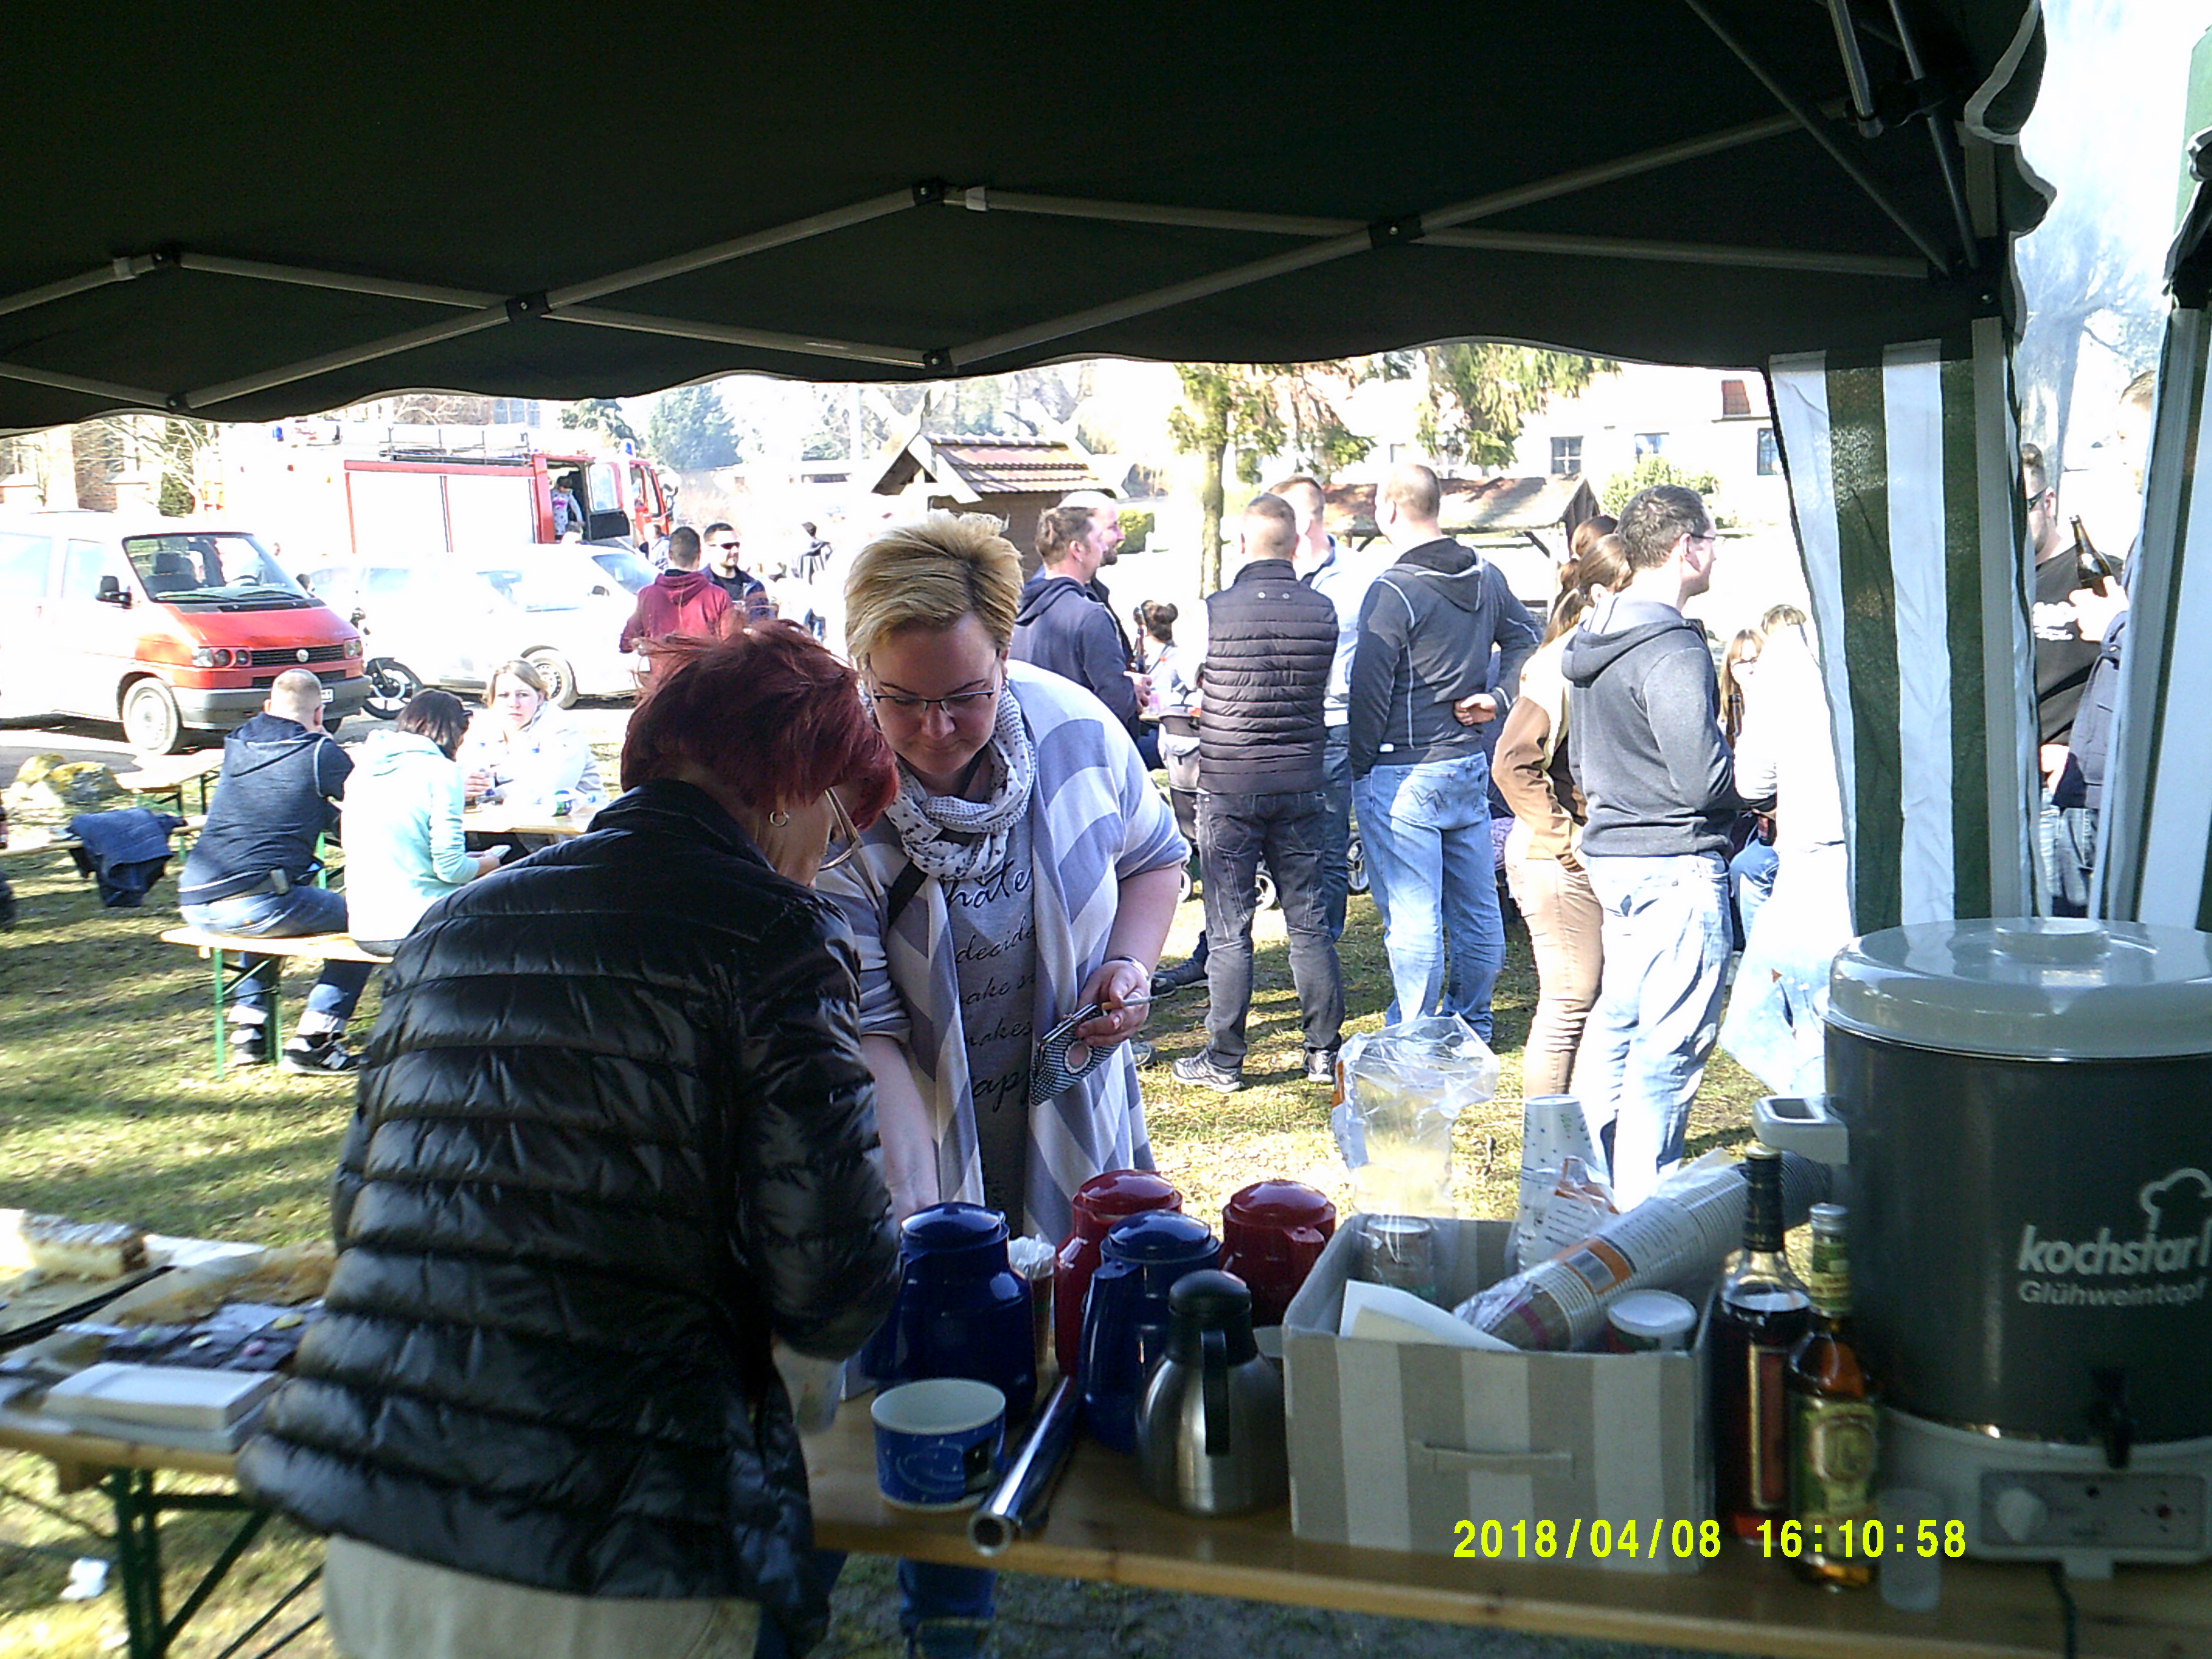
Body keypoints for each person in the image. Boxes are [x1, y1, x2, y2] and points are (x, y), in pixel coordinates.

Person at [240, 624, 902, 1659]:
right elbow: (833, 1286)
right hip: (617, 1548)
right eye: (839, 823)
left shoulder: (453, 924)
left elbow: (359, 1212)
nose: (829, 855)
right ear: (793, 789)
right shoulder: (773, 932)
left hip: (386, 1518)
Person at [814, 511, 1184, 1659]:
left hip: (1065, 1104)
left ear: (1006, 655)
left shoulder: (1074, 731)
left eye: (964, 697)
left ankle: (1105, 1501)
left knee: (1078, 1327)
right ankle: (942, 1613)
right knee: (931, 1352)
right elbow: (867, 1027)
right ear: (861, 673)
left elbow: (1155, 859)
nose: (933, 730)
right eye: (901, 700)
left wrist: (1128, 967)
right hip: (909, 1118)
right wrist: (918, 1197)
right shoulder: (831, 787)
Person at [1561, 484, 1742, 1207]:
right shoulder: (1670, 644)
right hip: (1673, 863)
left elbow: (1580, 765)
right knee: (1667, 1049)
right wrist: (1753, 779)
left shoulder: (1593, 636)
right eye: (1714, 538)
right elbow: (1702, 778)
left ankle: (1579, 1196)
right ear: (1687, 546)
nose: (1718, 553)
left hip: (1615, 857)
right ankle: (1642, 1215)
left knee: (1617, 1027)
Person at [1347, 461, 1541, 1036]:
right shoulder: (1485, 573)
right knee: (1477, 909)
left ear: (1389, 509)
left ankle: (1414, 1033)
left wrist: (1359, 768)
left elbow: (1369, 690)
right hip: (1464, 764)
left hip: (1402, 770)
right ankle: (1472, 1021)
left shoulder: (1392, 591)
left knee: (1415, 918)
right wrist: (1498, 698)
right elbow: (1528, 638)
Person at [1171, 495, 1342, 1091]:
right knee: (1309, 922)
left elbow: (1189, 680)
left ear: (1242, 545)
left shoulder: (1208, 613)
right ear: (1296, 546)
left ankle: (1224, 1059)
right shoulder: (1324, 610)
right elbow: (1326, 687)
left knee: (1229, 926)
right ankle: (1322, 1052)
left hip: (1230, 782)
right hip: (1301, 781)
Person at [177, 668, 371, 1074]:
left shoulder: (239, 742)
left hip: (195, 899)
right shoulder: (319, 753)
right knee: (369, 924)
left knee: (263, 905)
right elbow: (373, 801)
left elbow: (289, 801)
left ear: (268, 707)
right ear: (319, 714)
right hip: (256, 903)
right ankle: (315, 1039)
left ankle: (250, 1032)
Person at [1492, 532, 1630, 1099]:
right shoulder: (1561, 663)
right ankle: (1548, 1141)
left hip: (1581, 852)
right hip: (1552, 857)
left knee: (1594, 1003)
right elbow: (1511, 762)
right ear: (1602, 593)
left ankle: (1580, 1130)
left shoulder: (1602, 653)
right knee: (1568, 1003)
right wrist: (1564, 840)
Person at [1276, 473, 1381, 942]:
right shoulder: (1267, 573)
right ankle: (1296, 934)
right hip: (1277, 725)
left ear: (1302, 523)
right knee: (1282, 837)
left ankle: (1324, 942)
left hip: (1335, 724)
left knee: (1330, 839)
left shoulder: (1363, 577)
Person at [338, 690, 506, 957]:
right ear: (454, 732)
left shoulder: (363, 771)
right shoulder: (441, 772)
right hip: (418, 923)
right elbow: (450, 870)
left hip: (365, 925)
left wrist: (468, 860)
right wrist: (489, 863)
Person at [1010, 498, 1147, 731]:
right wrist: (1128, 691)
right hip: (1078, 745)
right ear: (1077, 550)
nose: (1104, 548)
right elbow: (1115, 704)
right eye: (1098, 540)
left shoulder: (1014, 611)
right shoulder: (1090, 616)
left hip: (1030, 741)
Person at [457, 660, 606, 811]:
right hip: (504, 818)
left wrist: (494, 784)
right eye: (503, 695)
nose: (514, 704)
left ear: (540, 697)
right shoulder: (482, 727)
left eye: (522, 695)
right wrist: (463, 789)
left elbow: (550, 789)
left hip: (577, 820)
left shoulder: (561, 727)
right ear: (492, 700)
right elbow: (462, 775)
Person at [1717, 626, 1778, 946]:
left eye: (1756, 660)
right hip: (1736, 816)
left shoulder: (1784, 707)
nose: (1750, 669)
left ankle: (1759, 951)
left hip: (1773, 821)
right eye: (1741, 663)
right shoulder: (1724, 714)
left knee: (1748, 866)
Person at [619, 523, 732, 657]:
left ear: (670, 556)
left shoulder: (647, 595)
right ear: (699, 556)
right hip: (705, 669)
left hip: (664, 669)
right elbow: (731, 646)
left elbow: (626, 643)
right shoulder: (718, 597)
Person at [705, 520, 776, 622]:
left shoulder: (754, 587)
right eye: (728, 546)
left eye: (737, 545)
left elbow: (765, 622)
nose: (735, 550)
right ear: (709, 549)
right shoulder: (699, 586)